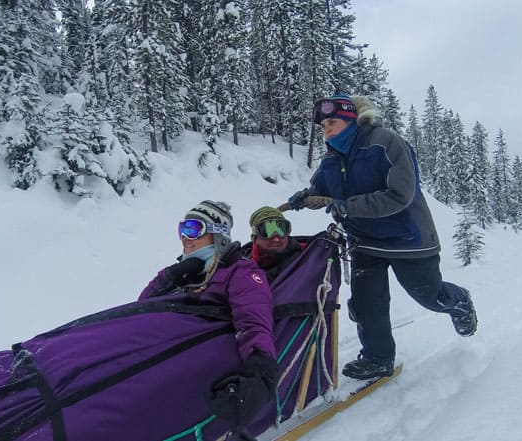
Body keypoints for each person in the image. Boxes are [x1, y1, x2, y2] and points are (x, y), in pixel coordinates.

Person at [288, 94, 478, 381]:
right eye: (323, 125)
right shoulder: (331, 157)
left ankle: (459, 300)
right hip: (363, 241)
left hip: (408, 239)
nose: (326, 129)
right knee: (367, 303)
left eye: (332, 122)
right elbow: (322, 188)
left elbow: (400, 195)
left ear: (353, 119)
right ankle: (378, 358)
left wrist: (348, 206)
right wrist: (307, 196)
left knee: (429, 296)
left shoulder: (385, 143)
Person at [139, 200, 279, 436]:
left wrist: (260, 371)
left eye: (193, 229)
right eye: (182, 230)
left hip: (197, 362)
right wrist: (167, 277)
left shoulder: (240, 271)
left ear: (218, 235)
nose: (185, 237)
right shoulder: (186, 273)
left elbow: (253, 321)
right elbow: (142, 309)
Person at [243, 206, 305, 284]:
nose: (276, 239)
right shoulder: (242, 268)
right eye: (267, 231)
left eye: (281, 230)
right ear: (255, 238)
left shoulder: (308, 256)